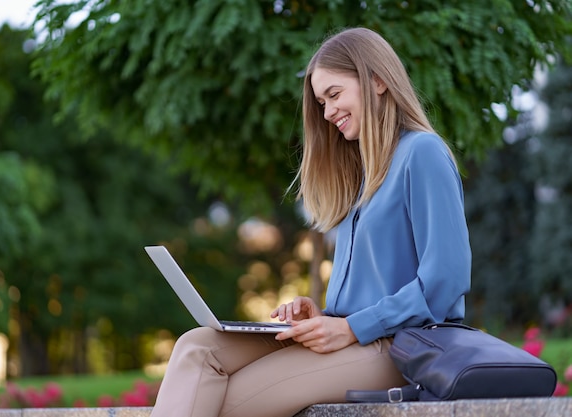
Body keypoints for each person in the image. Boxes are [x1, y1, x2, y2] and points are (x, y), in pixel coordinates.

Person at [149, 27, 471, 417]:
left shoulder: (422, 153)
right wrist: (323, 317)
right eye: (321, 102)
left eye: (334, 95)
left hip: (398, 347)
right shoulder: (361, 175)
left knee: (226, 399)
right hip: (350, 338)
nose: (327, 112)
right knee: (197, 346)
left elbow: (445, 281)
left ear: (379, 81)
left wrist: (351, 327)